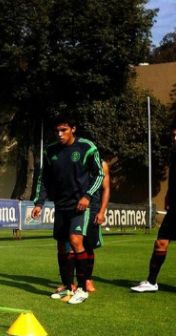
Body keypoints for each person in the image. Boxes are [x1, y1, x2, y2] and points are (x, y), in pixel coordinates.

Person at [32, 114, 105, 305]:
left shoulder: (87, 147)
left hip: (80, 205)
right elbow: (44, 179)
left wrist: (87, 196)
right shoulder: (50, 151)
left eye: (63, 130)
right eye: (56, 130)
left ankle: (82, 289)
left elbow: (99, 175)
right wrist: (39, 203)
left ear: (73, 129)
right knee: (61, 246)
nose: (59, 134)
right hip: (61, 205)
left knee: (75, 240)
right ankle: (67, 285)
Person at [131, 121, 176, 292]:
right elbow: (174, 182)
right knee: (160, 243)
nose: (175, 138)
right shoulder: (174, 155)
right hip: (175, 210)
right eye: (174, 135)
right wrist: (167, 196)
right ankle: (151, 282)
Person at [83, 153, 111, 292]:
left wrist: (101, 211)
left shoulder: (102, 164)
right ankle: (71, 282)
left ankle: (88, 279)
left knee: (88, 246)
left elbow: (106, 189)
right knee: (72, 245)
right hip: (75, 207)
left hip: (93, 209)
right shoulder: (76, 161)